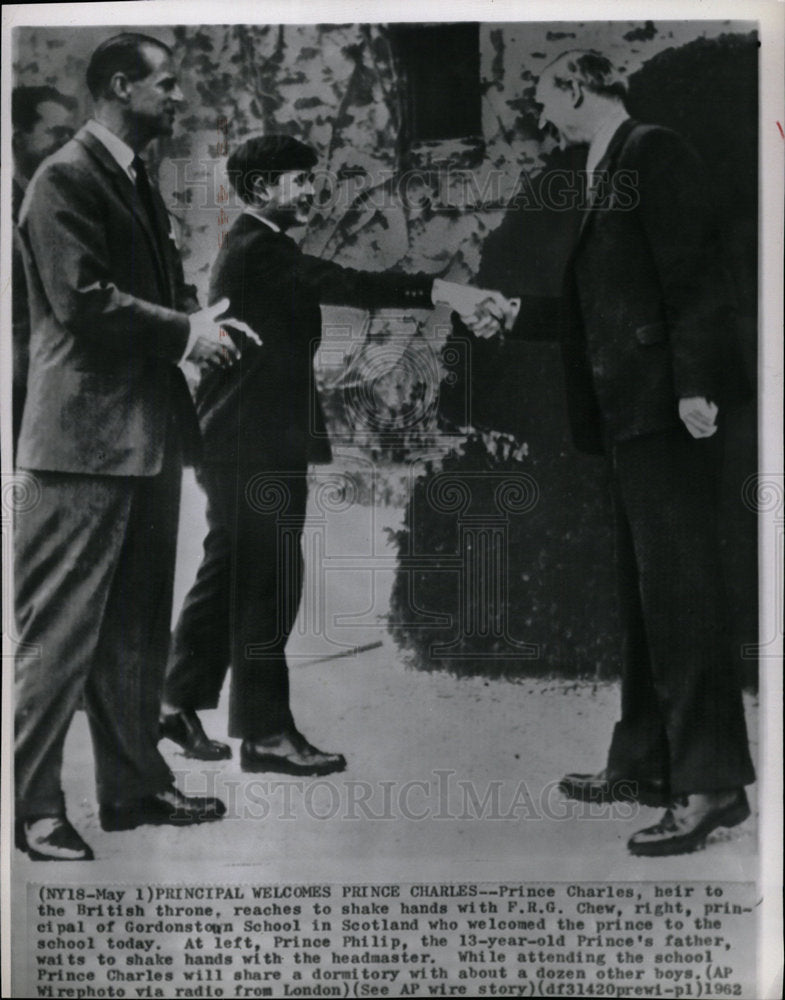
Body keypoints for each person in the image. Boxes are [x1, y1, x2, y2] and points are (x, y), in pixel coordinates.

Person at [461, 50, 755, 856]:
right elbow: (604, 304)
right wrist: (513, 312)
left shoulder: (650, 149)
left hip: (666, 414)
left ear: (580, 88)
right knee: (643, 593)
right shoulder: (602, 163)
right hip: (630, 416)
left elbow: (695, 276)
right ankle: (641, 762)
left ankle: (711, 786)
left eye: (545, 96)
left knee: (681, 594)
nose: (539, 114)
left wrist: (694, 386)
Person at [160, 134, 497, 774]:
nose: (313, 190)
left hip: (243, 438)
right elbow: (347, 282)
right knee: (269, 582)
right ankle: (264, 736)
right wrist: (447, 293)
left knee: (232, 569)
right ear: (262, 189)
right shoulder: (261, 247)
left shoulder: (259, 243)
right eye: (299, 180)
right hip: (250, 443)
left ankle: (174, 700)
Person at [14, 33, 254, 861]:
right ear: (121, 88)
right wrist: (187, 332)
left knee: (136, 633)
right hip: (82, 446)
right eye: (168, 85)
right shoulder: (66, 178)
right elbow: (82, 300)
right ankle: (34, 809)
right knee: (60, 638)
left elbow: (149, 292)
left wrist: (201, 317)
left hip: (141, 440)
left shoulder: (128, 174)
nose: (180, 98)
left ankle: (135, 790)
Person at [11, 85, 78, 454]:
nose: (67, 145)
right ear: (18, 139)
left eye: (71, 134)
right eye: (55, 133)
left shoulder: (53, 198)